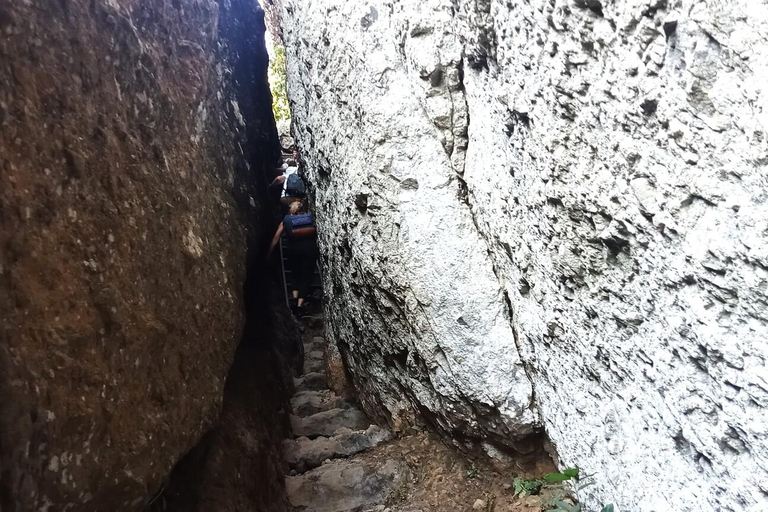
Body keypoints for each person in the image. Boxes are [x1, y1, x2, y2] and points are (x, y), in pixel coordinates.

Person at [268, 200, 318, 317]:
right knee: (306, 277)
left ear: (292, 210)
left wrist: (269, 252)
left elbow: (277, 237)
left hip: (293, 250)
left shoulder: (286, 220)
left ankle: (294, 300)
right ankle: (299, 307)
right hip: (310, 250)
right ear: (303, 210)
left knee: (294, 274)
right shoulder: (310, 218)